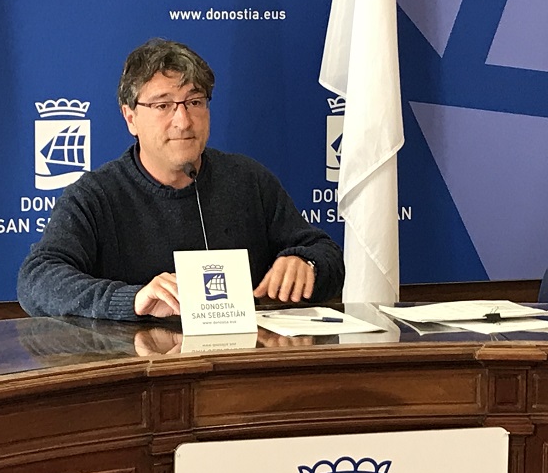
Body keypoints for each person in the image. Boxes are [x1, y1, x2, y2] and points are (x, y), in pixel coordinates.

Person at [17, 39, 344, 320]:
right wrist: (133, 299)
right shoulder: (94, 196)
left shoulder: (248, 180)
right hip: (138, 366)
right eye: (163, 105)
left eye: (194, 102)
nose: (184, 121)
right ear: (130, 118)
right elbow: (37, 279)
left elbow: (325, 253)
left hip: (238, 359)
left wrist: (307, 263)